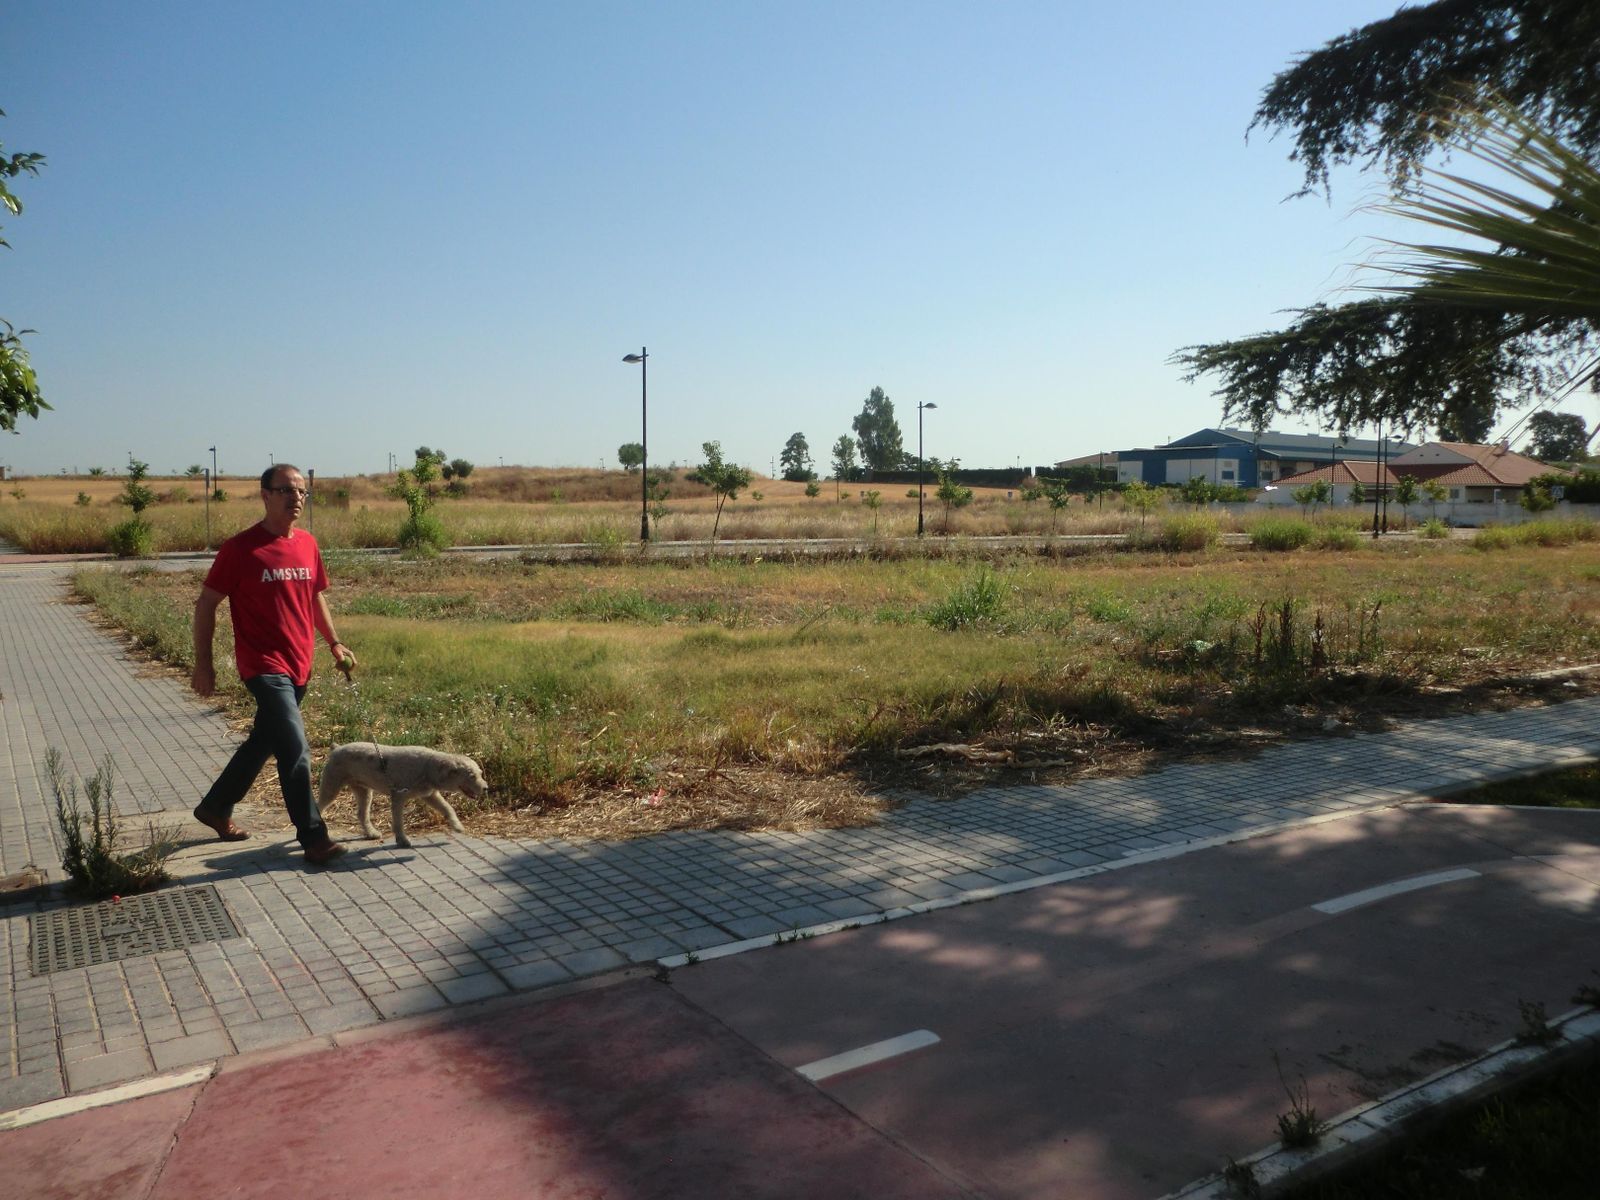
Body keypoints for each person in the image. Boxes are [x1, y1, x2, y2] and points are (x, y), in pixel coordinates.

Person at [191, 463, 356, 865]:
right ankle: (314, 838)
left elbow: (315, 596)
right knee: (295, 748)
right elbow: (206, 603)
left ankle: (215, 807)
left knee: (263, 742)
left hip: (301, 663)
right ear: (265, 495)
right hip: (263, 667)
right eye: (286, 490)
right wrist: (203, 663)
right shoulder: (240, 549)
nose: (296, 498)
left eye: (302, 492)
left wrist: (333, 642)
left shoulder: (307, 545)